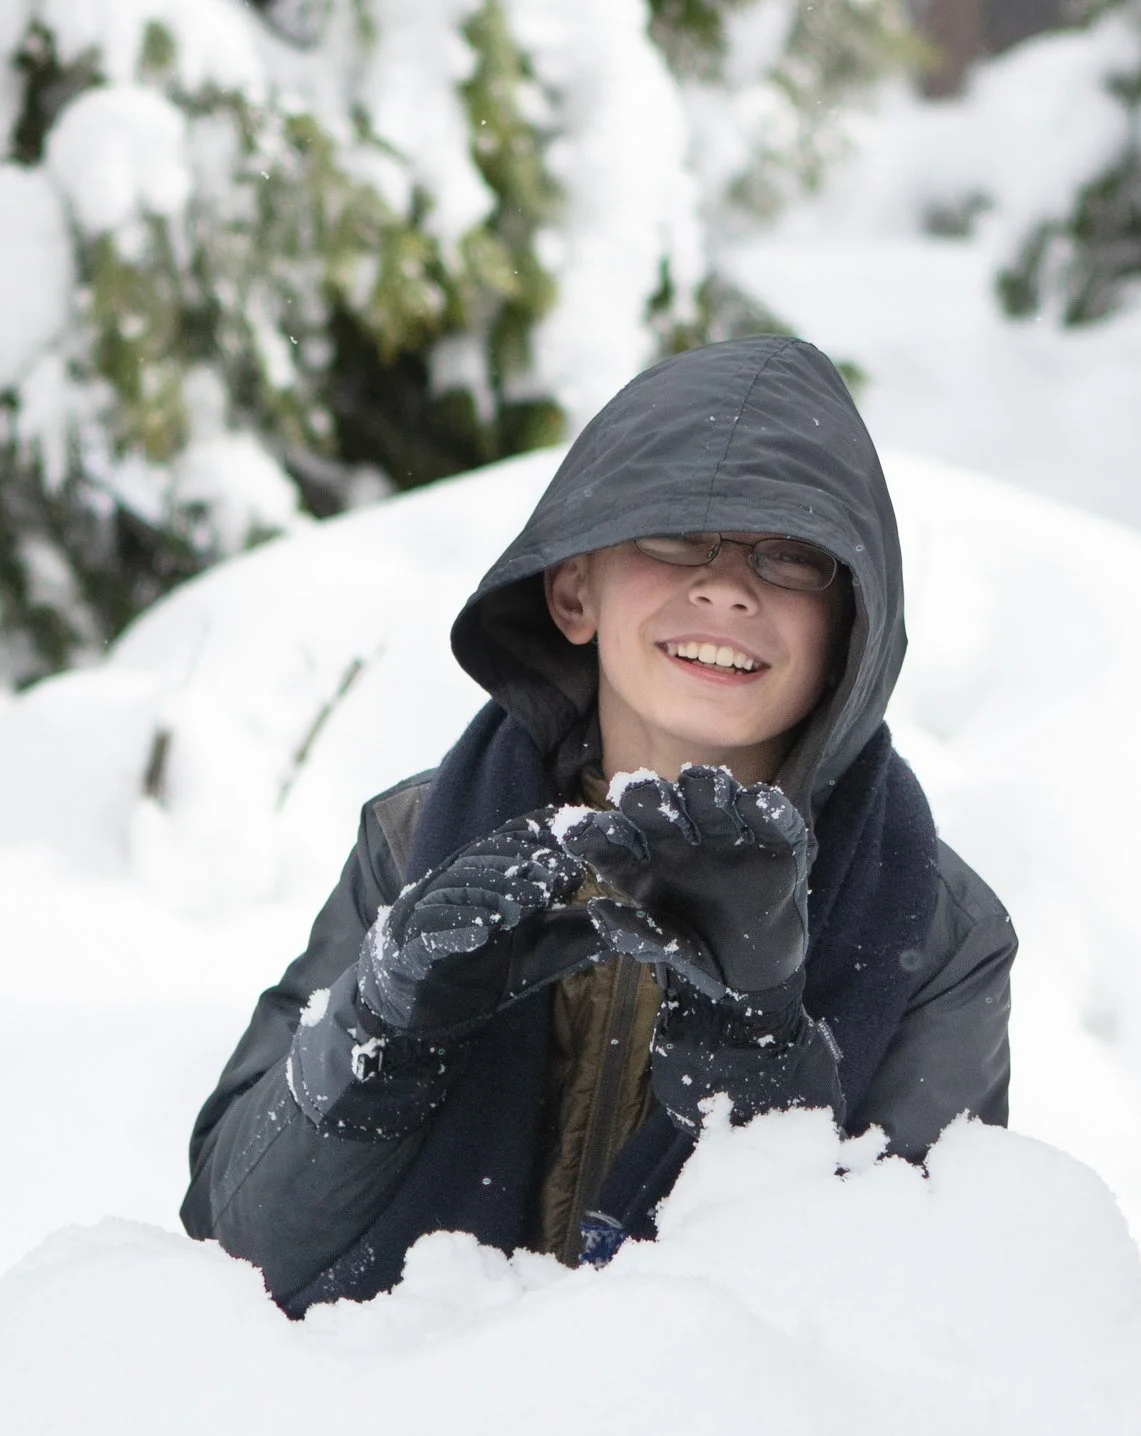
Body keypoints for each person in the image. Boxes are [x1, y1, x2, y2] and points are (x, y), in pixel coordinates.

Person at [180, 336, 1015, 1315]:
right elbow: (230, 1251)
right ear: (574, 591)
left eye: (789, 556)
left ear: (852, 632)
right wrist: (379, 1033)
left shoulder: (933, 927)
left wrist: (755, 1050)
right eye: (674, 535)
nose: (728, 588)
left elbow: (915, 1329)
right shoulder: (415, 845)